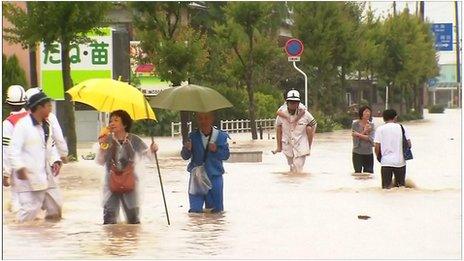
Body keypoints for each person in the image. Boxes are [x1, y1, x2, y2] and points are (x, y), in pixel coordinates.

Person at [9, 91, 64, 223]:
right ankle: (18, 238)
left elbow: (50, 146)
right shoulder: (23, 125)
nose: (51, 108)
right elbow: (13, 150)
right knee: (29, 212)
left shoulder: (46, 125)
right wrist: (19, 168)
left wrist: (56, 159)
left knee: (55, 208)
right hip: (29, 177)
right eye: (48, 105)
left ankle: (49, 239)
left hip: (46, 175)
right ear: (39, 107)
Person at [96, 110, 158, 224]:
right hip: (110, 184)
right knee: (109, 220)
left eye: (116, 120)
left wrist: (152, 149)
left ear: (124, 124)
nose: (112, 123)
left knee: (133, 220)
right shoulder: (107, 140)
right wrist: (102, 145)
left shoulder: (134, 140)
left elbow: (146, 155)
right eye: (111, 120)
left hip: (130, 183)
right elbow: (100, 161)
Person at [181, 111, 230, 213]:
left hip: (215, 177)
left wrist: (216, 149)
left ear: (212, 119)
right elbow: (185, 156)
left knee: (217, 212)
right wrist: (188, 149)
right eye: (200, 118)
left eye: (206, 118)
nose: (203, 121)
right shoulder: (192, 136)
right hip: (197, 177)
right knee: (195, 211)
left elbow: (226, 156)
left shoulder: (221, 136)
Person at [274, 90, 317, 173]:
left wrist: (309, 142)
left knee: (298, 166)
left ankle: (298, 183)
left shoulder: (305, 114)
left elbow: (314, 125)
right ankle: (292, 182)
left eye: (295, 102)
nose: (293, 104)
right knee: (291, 166)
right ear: (287, 102)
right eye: (291, 102)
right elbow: (278, 128)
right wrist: (279, 146)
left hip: (301, 144)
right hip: (288, 143)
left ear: (298, 103)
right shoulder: (281, 115)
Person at [2, 85, 29, 213]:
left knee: (17, 202)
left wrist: (5, 174)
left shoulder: (8, 123)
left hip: (18, 168)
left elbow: (6, 150)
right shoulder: (33, 118)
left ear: (8, 103)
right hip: (35, 165)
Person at [25, 87, 68, 163]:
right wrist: (63, 154)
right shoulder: (50, 116)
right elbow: (58, 137)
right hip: (47, 158)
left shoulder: (23, 119)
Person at [374, 109, 411, 189]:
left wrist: (379, 158)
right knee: (401, 188)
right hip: (400, 162)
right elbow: (409, 144)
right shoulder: (402, 128)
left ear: (383, 118)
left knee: (386, 189)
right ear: (395, 117)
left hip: (386, 162)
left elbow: (377, 147)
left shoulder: (380, 129)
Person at [351, 105, 375, 173]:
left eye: (369, 112)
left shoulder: (371, 125)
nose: (368, 113)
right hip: (357, 152)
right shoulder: (355, 124)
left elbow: (371, 139)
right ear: (361, 113)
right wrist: (365, 131)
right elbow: (355, 139)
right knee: (357, 174)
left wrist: (358, 134)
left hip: (368, 153)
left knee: (369, 174)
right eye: (366, 111)